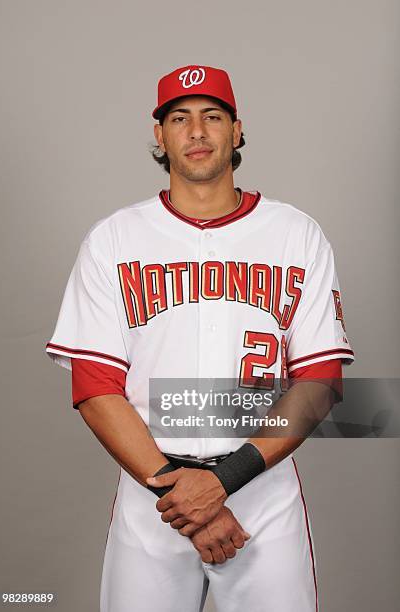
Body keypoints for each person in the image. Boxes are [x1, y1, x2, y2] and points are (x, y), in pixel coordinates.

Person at [45, 64, 355, 612]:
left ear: (237, 131)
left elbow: (320, 379)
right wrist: (180, 491)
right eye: (179, 117)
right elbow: (95, 386)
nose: (196, 131)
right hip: (153, 491)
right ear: (159, 134)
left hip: (261, 483)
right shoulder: (113, 239)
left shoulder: (295, 233)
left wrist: (224, 480)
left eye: (213, 116)